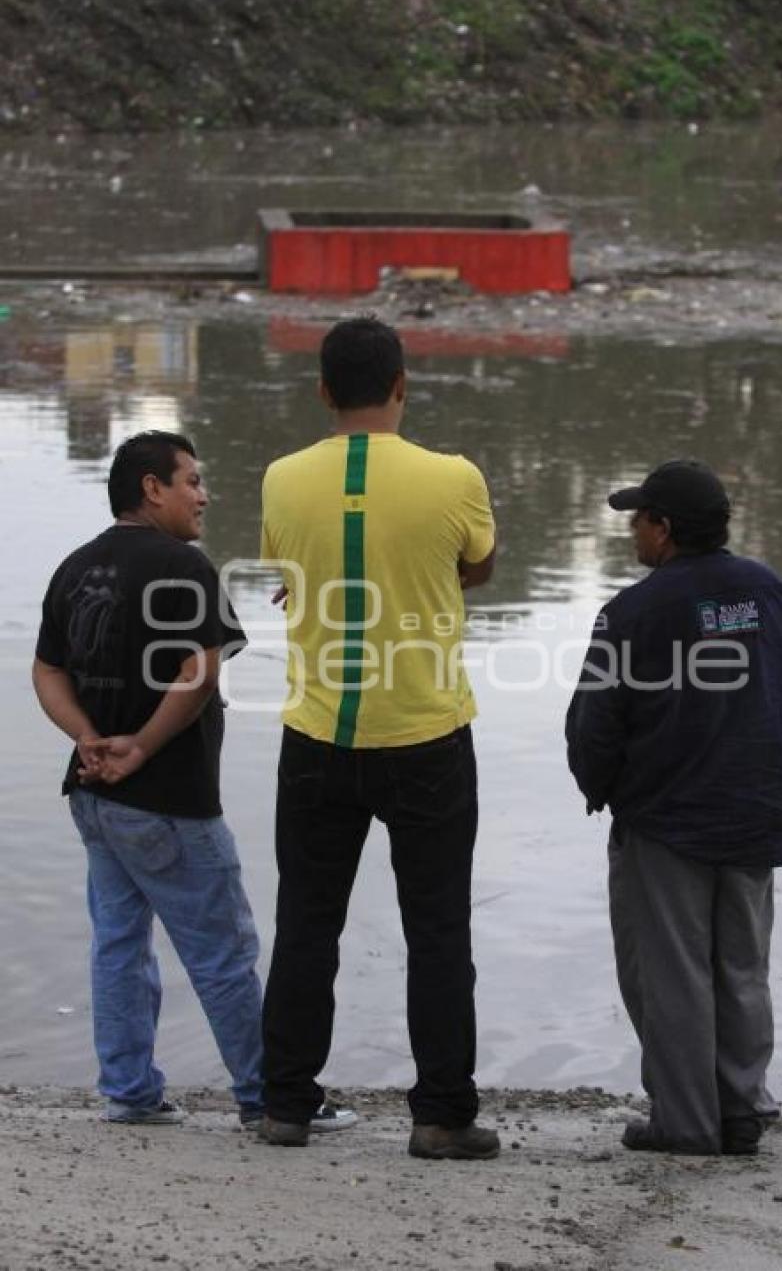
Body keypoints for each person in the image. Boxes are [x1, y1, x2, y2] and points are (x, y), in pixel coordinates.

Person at [32, 429, 354, 1133]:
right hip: (168, 798)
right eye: (192, 481)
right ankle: (266, 1094)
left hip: (92, 793)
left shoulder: (76, 566)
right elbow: (200, 671)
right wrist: (141, 746)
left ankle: (129, 1091)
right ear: (152, 488)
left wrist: (87, 739)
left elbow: (47, 671)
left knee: (118, 940)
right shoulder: (183, 565)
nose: (205, 495)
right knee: (223, 949)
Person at [259, 316, 500, 1159]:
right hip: (427, 735)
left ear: (323, 390)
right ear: (402, 385)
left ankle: (284, 1102)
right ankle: (441, 1115)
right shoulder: (456, 476)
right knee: (437, 930)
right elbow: (477, 565)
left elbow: (295, 576)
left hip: (316, 737)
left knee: (304, 924)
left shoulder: (280, 479)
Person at [565, 459, 782, 1156]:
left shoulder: (633, 610)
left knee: (670, 971)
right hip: (757, 812)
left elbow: (595, 723)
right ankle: (740, 1109)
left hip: (666, 822)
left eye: (639, 520)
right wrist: (762, 762)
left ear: (665, 529)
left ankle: (685, 1121)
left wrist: (602, 789)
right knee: (742, 965)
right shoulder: (776, 594)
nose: (633, 533)